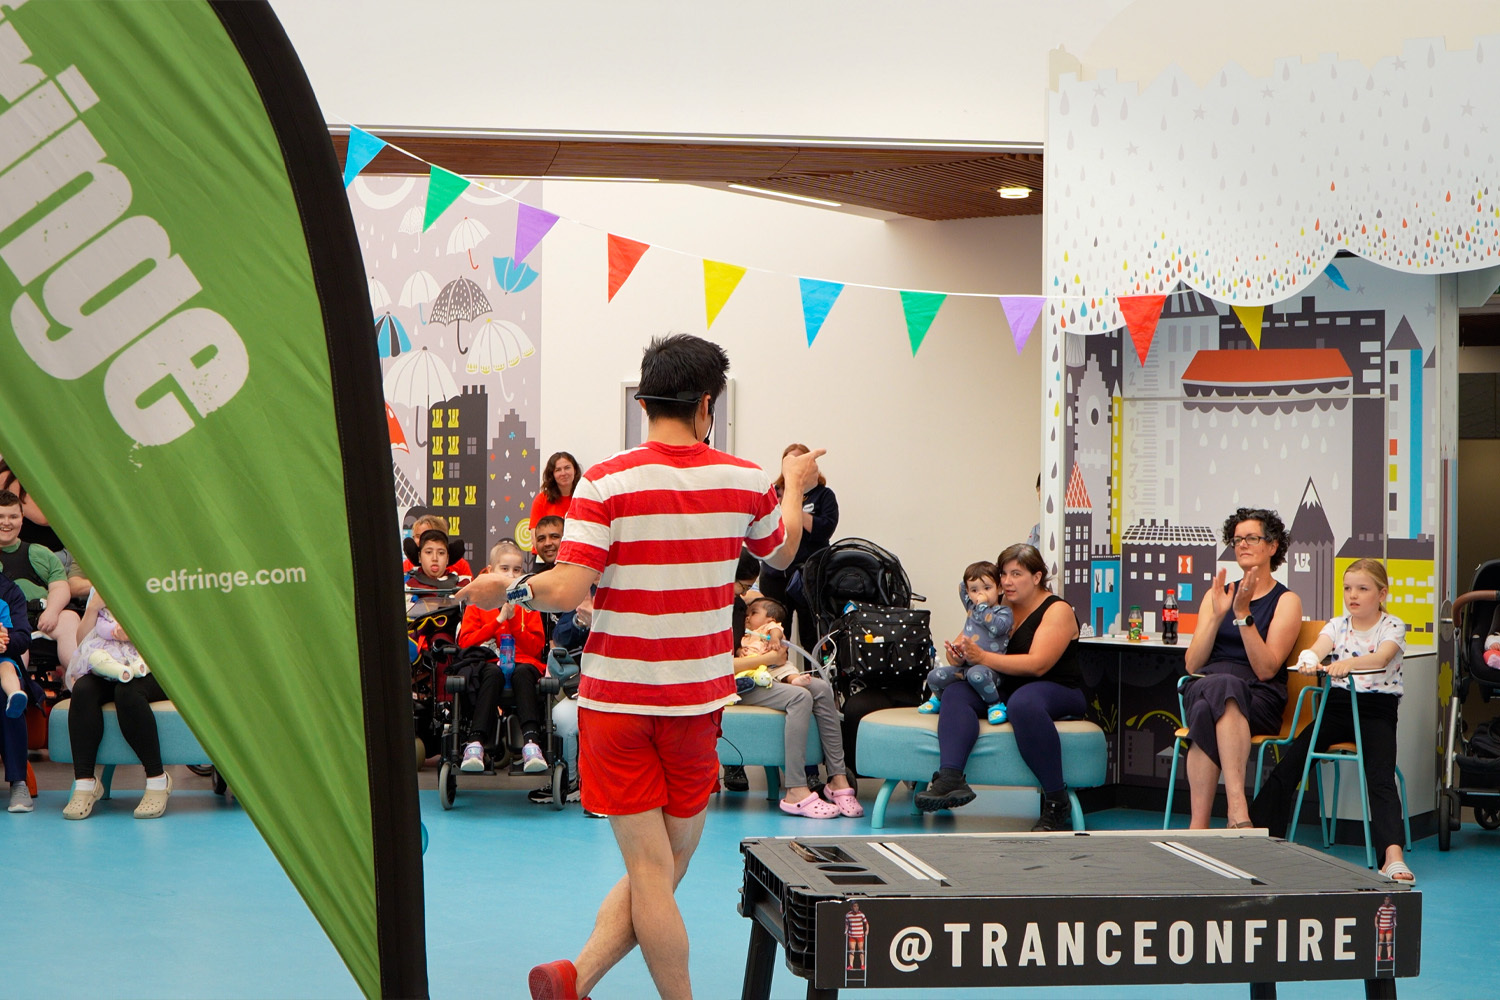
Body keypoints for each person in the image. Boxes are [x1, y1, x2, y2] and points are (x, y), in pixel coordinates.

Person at [459, 333, 823, 1000]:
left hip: (615, 703)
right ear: (707, 404)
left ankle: (575, 980)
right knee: (663, 869)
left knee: (654, 871)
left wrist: (505, 588)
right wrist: (793, 483)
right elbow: (783, 550)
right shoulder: (745, 480)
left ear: (643, 401)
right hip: (695, 704)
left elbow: (565, 588)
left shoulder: (604, 480)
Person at [1250, 559, 1413, 883]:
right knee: (1291, 764)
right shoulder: (1337, 625)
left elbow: (1382, 658)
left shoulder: (1392, 626)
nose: (1353, 595)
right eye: (1348, 588)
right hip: (1336, 707)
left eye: (1363, 589)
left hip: (1377, 710)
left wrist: (1348, 664)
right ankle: (1258, 836)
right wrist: (1310, 659)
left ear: (1381, 594)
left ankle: (1392, 857)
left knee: (1380, 778)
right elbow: (1317, 648)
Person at [914, 543, 1085, 832]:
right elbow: (967, 642)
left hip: (1057, 688)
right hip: (1008, 685)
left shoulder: (1057, 610)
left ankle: (1057, 800)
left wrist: (982, 658)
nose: (1006, 581)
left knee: (1023, 704)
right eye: (1003, 574)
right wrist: (959, 654)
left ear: (1037, 577)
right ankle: (951, 778)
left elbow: (1038, 665)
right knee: (956, 691)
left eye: (1016, 574)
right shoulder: (998, 606)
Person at [1181, 507, 1303, 830]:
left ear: (1273, 546)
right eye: (1237, 540)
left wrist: (1242, 614)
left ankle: (1201, 825)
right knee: (1218, 687)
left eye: (1251, 538)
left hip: (1258, 696)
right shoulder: (1217, 596)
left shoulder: (1286, 601)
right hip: (1207, 684)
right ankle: (1237, 811)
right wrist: (1216, 616)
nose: (1242, 545)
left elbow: (1266, 669)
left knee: (1210, 705)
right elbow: (1192, 664)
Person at [732, 597, 862, 819]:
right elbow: (720, 664)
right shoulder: (720, 612)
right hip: (739, 682)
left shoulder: (748, 612)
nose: (748, 615)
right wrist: (769, 657)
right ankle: (796, 788)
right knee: (800, 697)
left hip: (764, 672)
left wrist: (774, 653)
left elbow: (773, 627)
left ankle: (838, 778)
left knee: (821, 688)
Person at [63, 589, 172, 820]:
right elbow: (82, 641)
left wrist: (133, 633)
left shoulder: (158, 583)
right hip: (112, 664)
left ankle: (157, 780)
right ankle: (85, 783)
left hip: (153, 664)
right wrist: (93, 607)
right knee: (83, 689)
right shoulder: (102, 583)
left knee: (128, 692)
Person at [457, 540, 547, 772]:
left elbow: (536, 648)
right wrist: (498, 621)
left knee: (523, 672)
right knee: (492, 673)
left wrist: (514, 619)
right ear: (490, 571)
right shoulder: (477, 603)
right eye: (504, 569)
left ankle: (531, 743)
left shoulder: (530, 603)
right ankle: (475, 743)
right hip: (488, 664)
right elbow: (466, 642)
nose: (510, 575)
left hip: (524, 663)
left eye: (517, 570)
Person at [757, 443, 838, 653]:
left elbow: (825, 529)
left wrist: (794, 507)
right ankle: (776, 668)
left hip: (808, 575)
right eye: (790, 461)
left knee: (811, 632)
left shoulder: (824, 495)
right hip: (775, 574)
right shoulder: (772, 492)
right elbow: (762, 528)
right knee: (774, 630)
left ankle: (814, 669)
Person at [919, 561, 1013, 725]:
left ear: (999, 589)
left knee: (976, 674)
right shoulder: (972, 608)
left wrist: (982, 606)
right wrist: (958, 654)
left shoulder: (1003, 612)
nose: (980, 594)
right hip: (965, 667)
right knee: (934, 676)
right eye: (974, 590)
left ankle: (995, 705)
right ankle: (939, 699)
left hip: (990, 671)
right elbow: (962, 586)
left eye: (987, 588)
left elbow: (997, 628)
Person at [0, 490, 78, 674]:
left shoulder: (40, 553)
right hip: (8, 623)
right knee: (14, 637)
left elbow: (60, 586)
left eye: (13, 517)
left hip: (43, 617)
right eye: (1, 517)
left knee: (69, 618)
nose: (6, 522)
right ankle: (16, 685)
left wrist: (52, 611)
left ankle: (78, 678)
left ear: (22, 518)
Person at [722, 550, 764, 793]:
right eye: (744, 586)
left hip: (737, 672)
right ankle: (731, 762)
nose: (745, 593)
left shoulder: (738, 606)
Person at [1, 570, 37, 812]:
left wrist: (4, 642)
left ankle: (18, 782)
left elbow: (22, 637)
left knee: (6, 697)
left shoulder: (9, 592)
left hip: (2, 660)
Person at [528, 451, 580, 551]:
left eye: (567, 468)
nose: (563, 473)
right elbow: (535, 537)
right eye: (558, 470)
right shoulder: (541, 500)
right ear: (552, 474)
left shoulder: (583, 498)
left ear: (575, 470)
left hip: (574, 556)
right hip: (545, 555)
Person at [401, 513, 474, 583]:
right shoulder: (407, 565)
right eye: (418, 536)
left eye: (427, 536)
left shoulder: (460, 565)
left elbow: (471, 589)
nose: (421, 540)